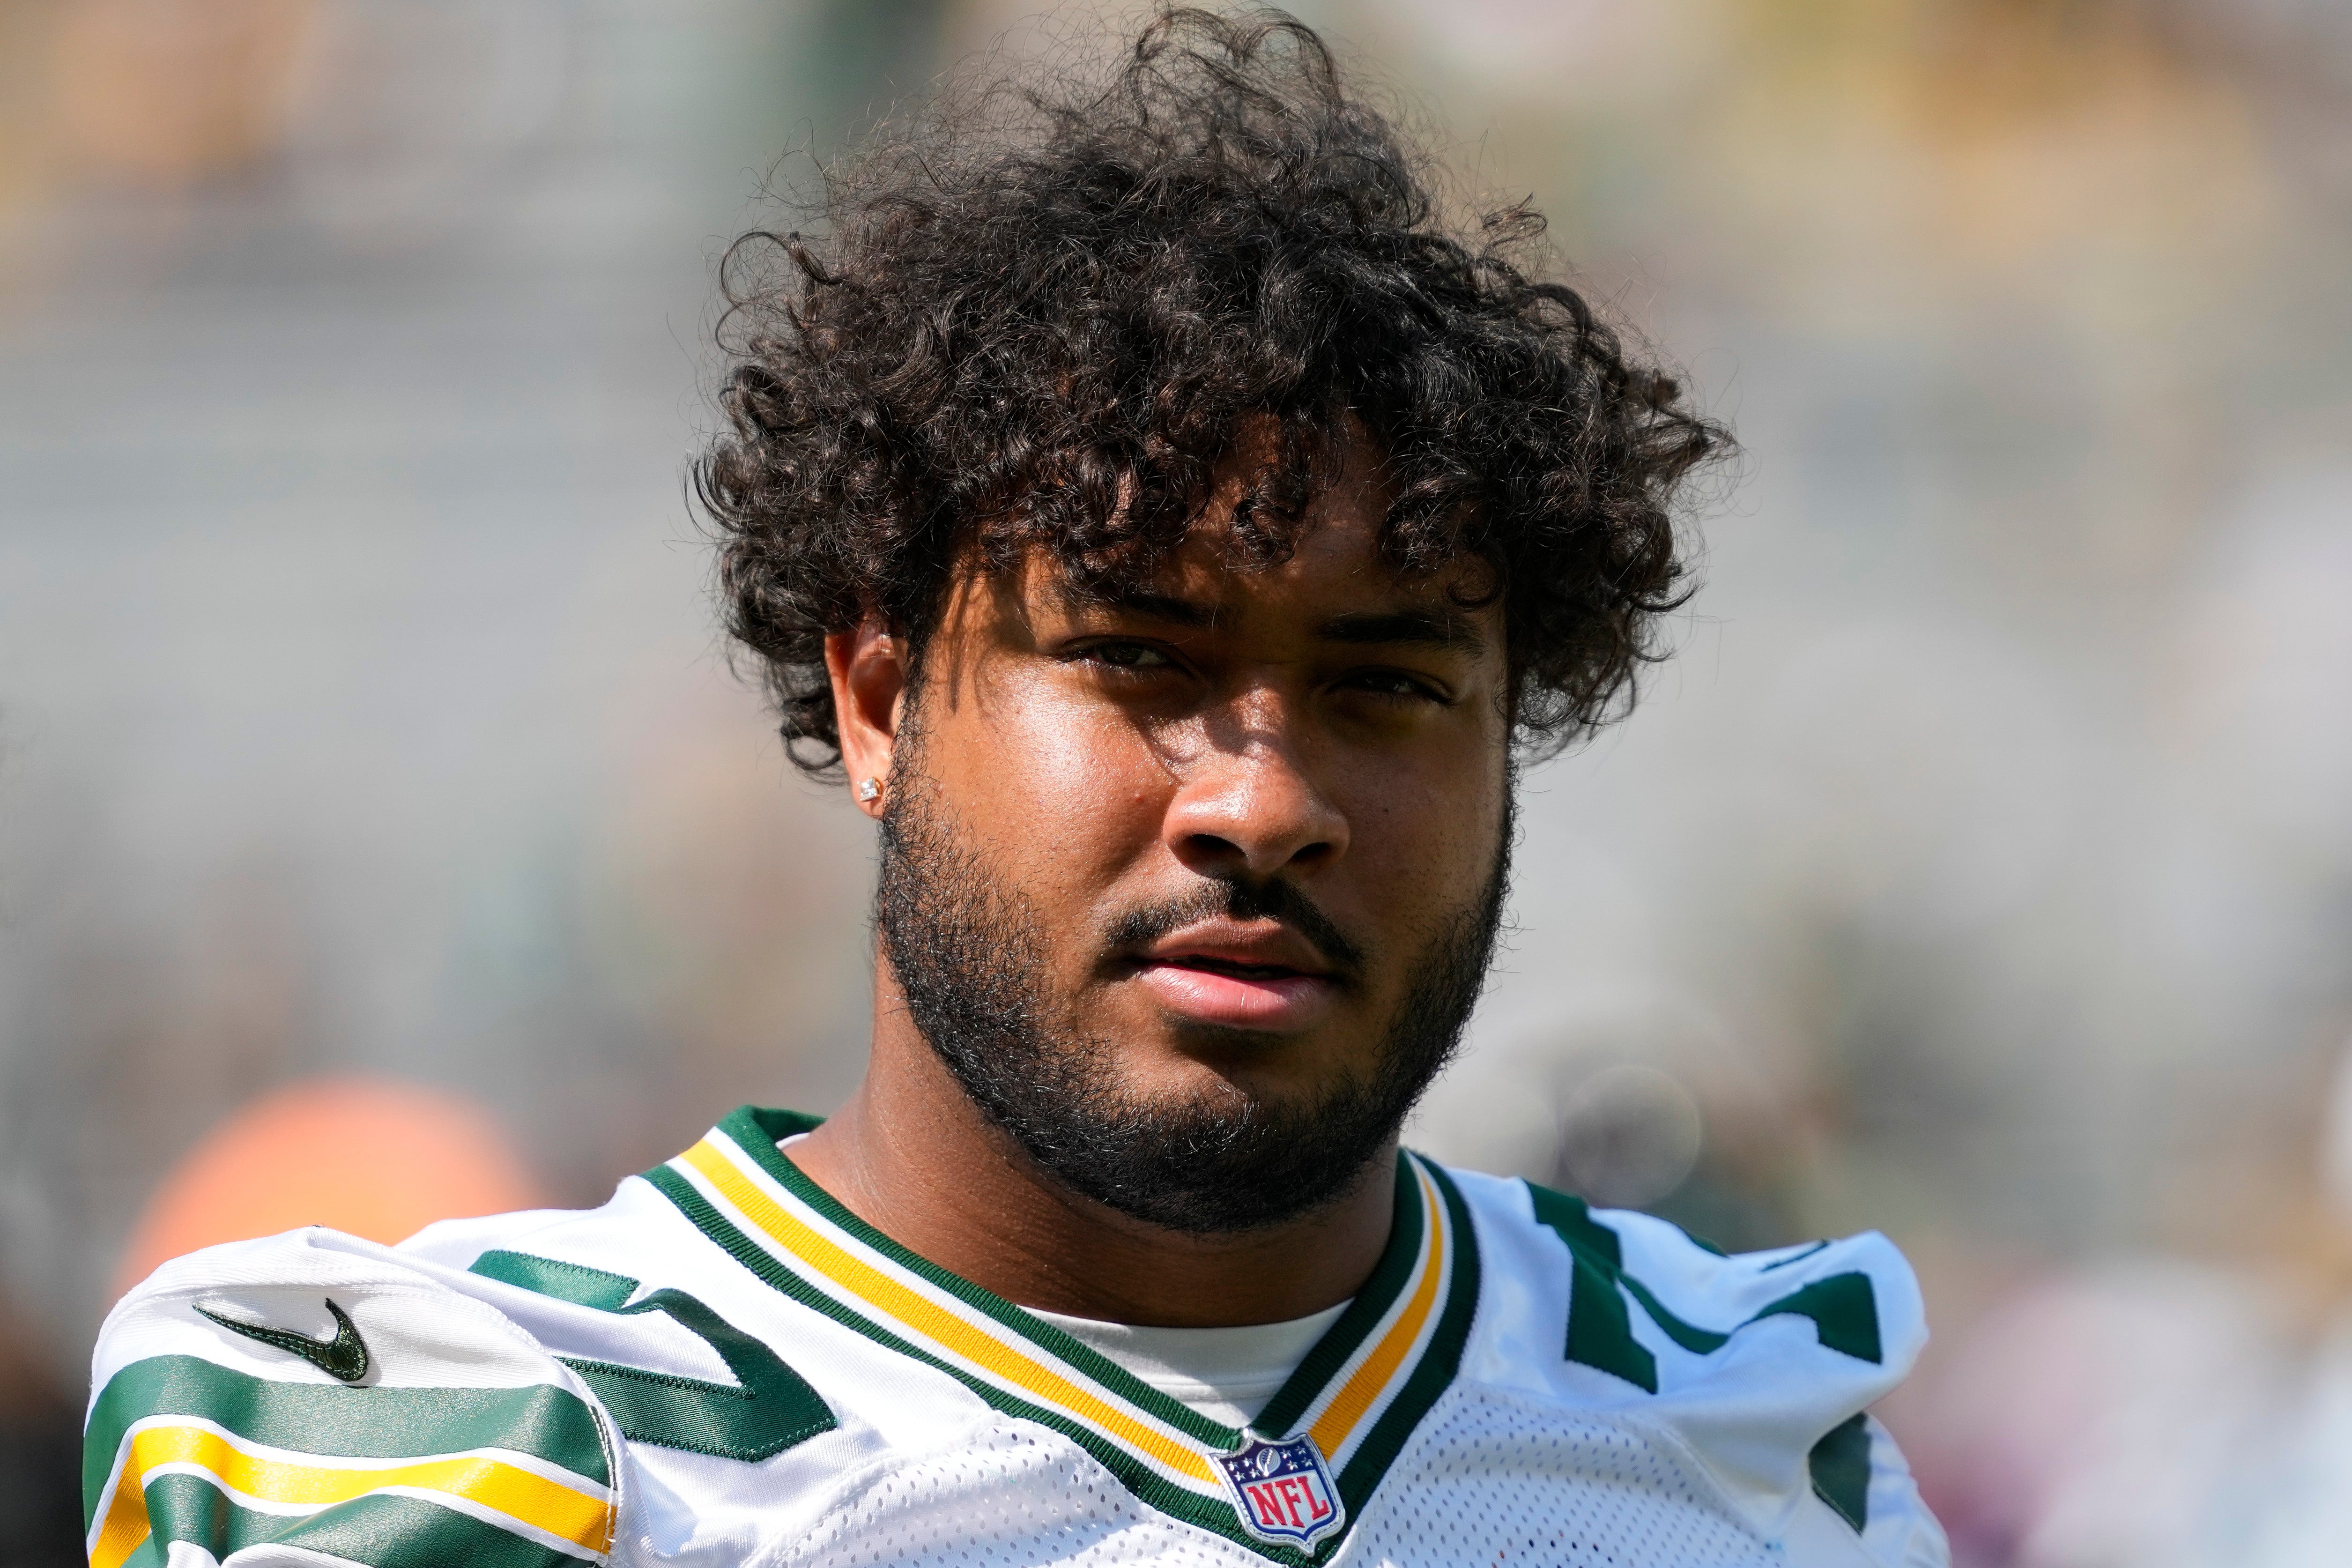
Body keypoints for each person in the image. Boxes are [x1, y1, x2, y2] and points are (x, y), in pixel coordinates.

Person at [82, 10, 1946, 1566]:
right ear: (880, 694)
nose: (1262, 799)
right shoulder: (448, 1410)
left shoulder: (1739, 1409)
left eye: (1384, 683)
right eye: (1138, 657)